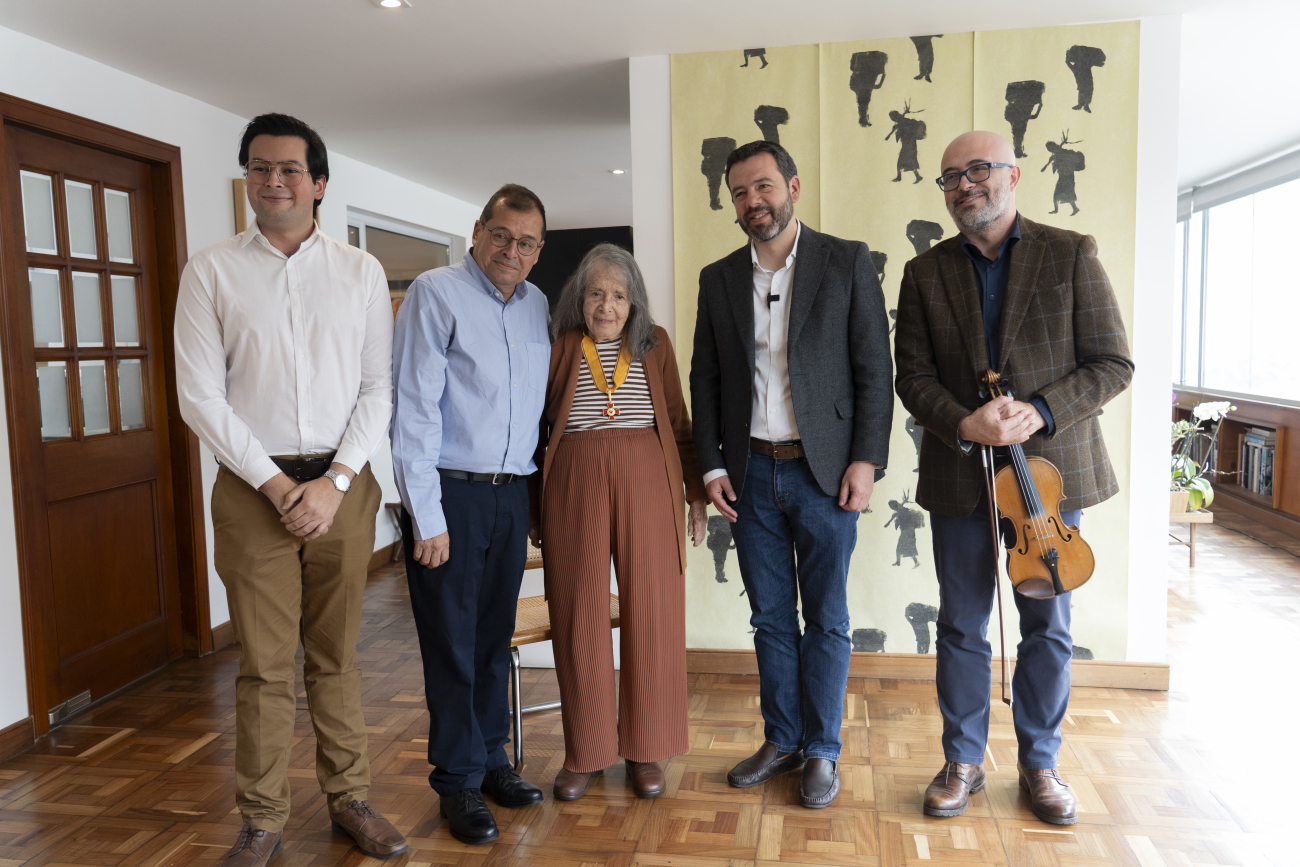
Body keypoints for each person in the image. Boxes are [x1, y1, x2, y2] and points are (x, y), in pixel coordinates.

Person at [175, 113, 405, 867]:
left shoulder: (360, 272)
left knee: (336, 654)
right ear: (247, 177)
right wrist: (278, 485)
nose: (274, 181)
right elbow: (200, 398)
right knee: (264, 662)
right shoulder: (209, 271)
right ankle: (262, 817)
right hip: (252, 486)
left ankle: (351, 799)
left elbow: (379, 388)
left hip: (344, 483)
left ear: (319, 184)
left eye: (289, 170)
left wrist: (335, 481)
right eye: (260, 168)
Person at [894, 130, 1134, 826]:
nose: (965, 185)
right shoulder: (923, 272)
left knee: (1047, 623)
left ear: (1014, 174)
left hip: (1049, 481)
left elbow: (1113, 363)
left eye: (978, 170)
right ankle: (963, 760)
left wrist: (1040, 411)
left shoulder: (1071, 251)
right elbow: (913, 377)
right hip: (961, 472)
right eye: (950, 177)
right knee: (962, 623)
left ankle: (1041, 764)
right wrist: (964, 423)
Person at [690, 140, 894, 809]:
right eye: (741, 192)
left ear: (793, 186)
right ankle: (781, 739)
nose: (754, 201)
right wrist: (712, 464)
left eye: (764, 186)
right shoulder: (718, 278)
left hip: (825, 474)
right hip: (749, 475)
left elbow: (874, 370)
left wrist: (866, 459)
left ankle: (822, 750)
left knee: (827, 618)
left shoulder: (846, 260)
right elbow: (707, 377)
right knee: (771, 619)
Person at [391, 185, 551, 845]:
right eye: (502, 234)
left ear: (539, 251)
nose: (511, 250)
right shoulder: (435, 292)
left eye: (526, 242)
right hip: (449, 494)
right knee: (452, 642)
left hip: (511, 494)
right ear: (478, 230)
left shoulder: (539, 305)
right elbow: (413, 407)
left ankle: (491, 758)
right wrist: (424, 513)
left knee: (492, 638)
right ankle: (456, 779)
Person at [531, 244, 709, 801]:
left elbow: (679, 423)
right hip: (574, 485)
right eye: (596, 294)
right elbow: (535, 430)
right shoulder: (561, 347)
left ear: (635, 303)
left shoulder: (654, 345)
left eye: (618, 295)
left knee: (650, 613)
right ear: (578, 299)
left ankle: (646, 750)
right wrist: (534, 506)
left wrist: (696, 494)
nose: (607, 306)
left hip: (647, 482)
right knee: (577, 613)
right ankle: (584, 753)